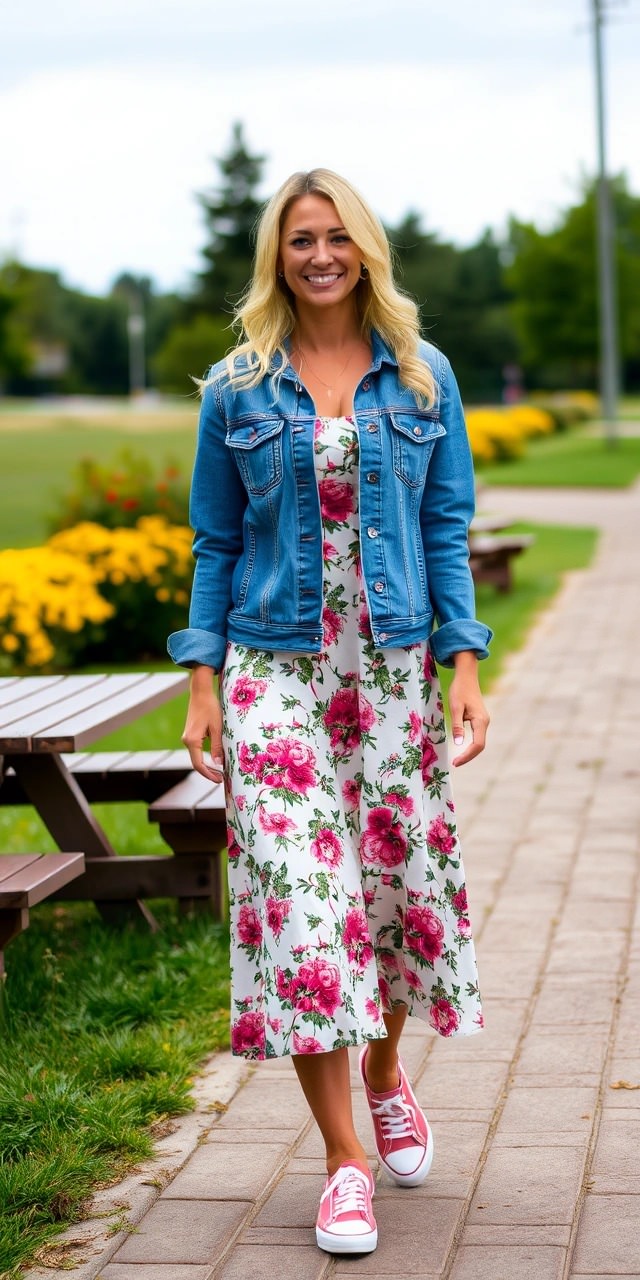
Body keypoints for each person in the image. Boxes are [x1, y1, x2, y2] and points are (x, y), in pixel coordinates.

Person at [168, 168, 491, 1256]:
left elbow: (446, 526)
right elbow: (213, 541)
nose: (319, 255)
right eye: (301, 239)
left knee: (394, 894)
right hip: (277, 672)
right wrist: (203, 681)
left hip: (392, 669)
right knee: (308, 908)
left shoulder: (420, 372)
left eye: (336, 237)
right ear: (278, 254)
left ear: (364, 251)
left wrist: (463, 662)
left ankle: (387, 1065)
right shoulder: (235, 386)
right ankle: (344, 1160)